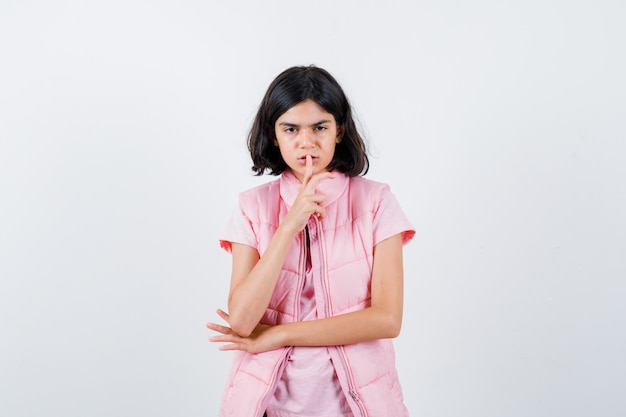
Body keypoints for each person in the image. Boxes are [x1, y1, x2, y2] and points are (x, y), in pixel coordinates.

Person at [207, 65, 415, 417]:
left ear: (339, 131)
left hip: (357, 406)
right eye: (291, 129)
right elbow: (242, 322)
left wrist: (279, 334)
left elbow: (387, 320)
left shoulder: (376, 202)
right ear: (274, 135)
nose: (307, 142)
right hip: (266, 406)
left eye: (320, 127)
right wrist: (288, 225)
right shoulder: (251, 207)